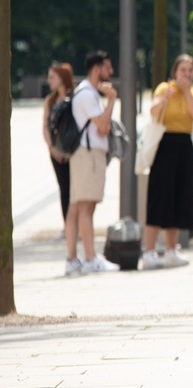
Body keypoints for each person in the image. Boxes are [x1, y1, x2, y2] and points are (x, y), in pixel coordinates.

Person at [142, 54, 193, 269]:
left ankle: (171, 249)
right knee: (159, 196)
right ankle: (149, 250)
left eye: (190, 70)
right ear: (175, 71)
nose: (186, 75)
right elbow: (153, 111)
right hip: (165, 144)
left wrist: (186, 92)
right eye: (182, 70)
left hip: (185, 146)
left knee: (180, 196)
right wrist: (166, 98)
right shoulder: (163, 88)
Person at [65, 50, 121, 275]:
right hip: (88, 155)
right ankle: (89, 258)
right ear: (96, 69)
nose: (111, 72)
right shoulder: (88, 94)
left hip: (84, 154)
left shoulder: (84, 92)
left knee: (77, 206)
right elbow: (103, 126)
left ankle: (73, 258)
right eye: (107, 68)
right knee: (86, 206)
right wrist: (112, 100)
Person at [42, 61, 75, 234]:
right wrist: (51, 148)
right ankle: (67, 226)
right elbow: (45, 126)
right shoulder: (50, 101)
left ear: (62, 78)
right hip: (56, 152)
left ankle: (75, 225)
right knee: (64, 189)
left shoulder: (75, 99)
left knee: (75, 190)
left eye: (52, 77)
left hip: (73, 152)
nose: (49, 81)